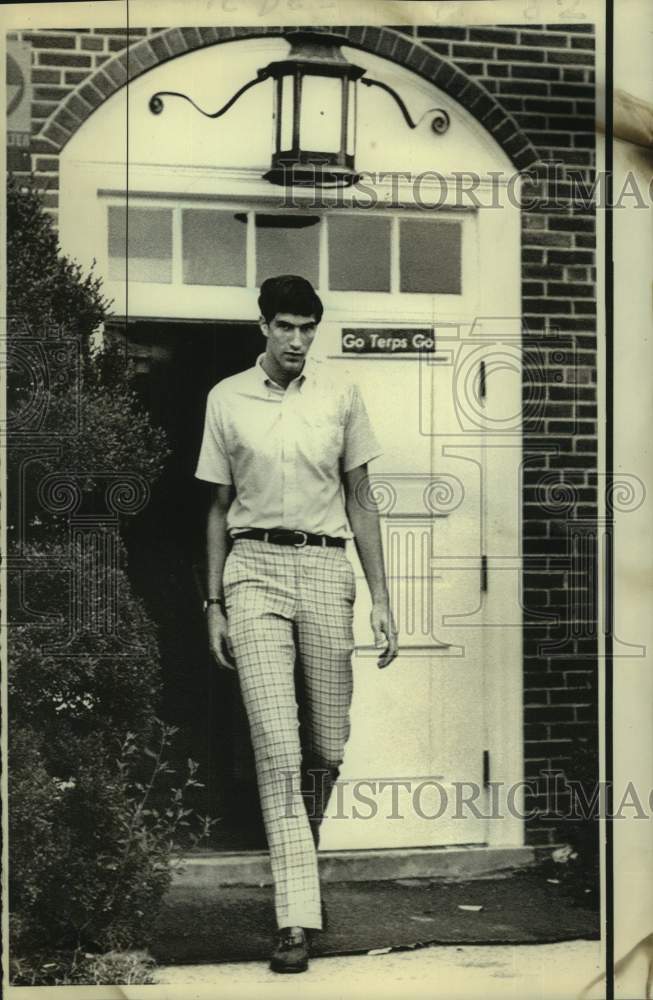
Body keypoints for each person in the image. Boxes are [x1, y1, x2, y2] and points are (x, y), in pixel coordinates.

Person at [195, 274, 398, 973]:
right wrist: (214, 602)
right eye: (284, 326)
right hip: (251, 571)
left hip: (324, 568)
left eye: (308, 327)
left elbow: (362, 499)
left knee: (327, 743)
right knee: (277, 747)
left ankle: (298, 858)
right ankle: (294, 917)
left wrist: (382, 597)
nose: (296, 340)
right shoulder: (226, 398)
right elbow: (218, 508)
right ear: (262, 327)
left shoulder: (339, 396)